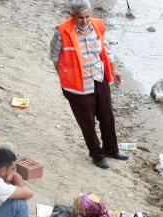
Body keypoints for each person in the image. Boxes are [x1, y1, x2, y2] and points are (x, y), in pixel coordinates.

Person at [49, 0, 128, 169]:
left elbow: (105, 50)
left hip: (99, 78)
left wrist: (113, 70)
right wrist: (64, 78)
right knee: (87, 122)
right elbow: (55, 57)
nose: (84, 21)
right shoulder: (62, 31)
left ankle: (111, 150)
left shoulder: (97, 25)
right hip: (77, 85)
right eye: (80, 18)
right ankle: (97, 154)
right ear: (72, 16)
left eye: (87, 17)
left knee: (107, 116)